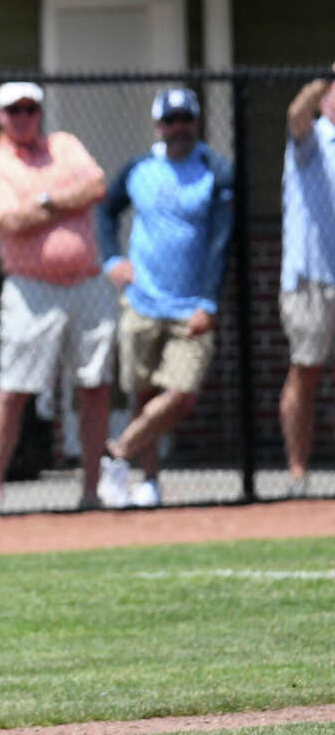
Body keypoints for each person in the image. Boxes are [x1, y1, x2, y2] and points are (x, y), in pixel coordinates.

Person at [0, 81, 116, 512]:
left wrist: (43, 201)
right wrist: (63, 202)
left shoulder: (65, 145)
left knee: (95, 387)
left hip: (89, 283)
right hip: (30, 288)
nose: (23, 116)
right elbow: (9, 222)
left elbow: (96, 188)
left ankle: (92, 491)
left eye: (30, 108)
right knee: (14, 390)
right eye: (14, 109)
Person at [96, 88, 234, 508]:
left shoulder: (215, 170)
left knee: (182, 393)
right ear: (158, 126)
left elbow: (222, 240)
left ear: (196, 122)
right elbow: (105, 211)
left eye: (185, 120)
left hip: (190, 305)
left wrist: (208, 301)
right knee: (144, 394)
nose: (179, 129)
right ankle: (149, 481)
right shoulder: (139, 169)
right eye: (170, 121)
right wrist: (111, 259)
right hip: (142, 301)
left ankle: (118, 450)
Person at [277, 65, 335, 498]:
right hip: (310, 278)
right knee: (306, 371)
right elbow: (295, 111)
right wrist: (323, 76)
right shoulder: (311, 139)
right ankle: (298, 474)